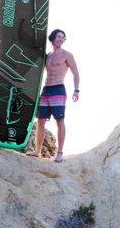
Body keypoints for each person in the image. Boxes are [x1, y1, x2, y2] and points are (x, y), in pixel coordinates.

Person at [26, 29, 80, 163]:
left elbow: (76, 73)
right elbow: (37, 68)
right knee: (41, 120)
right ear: (52, 38)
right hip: (46, 89)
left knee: (59, 121)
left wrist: (76, 90)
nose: (61, 39)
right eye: (58, 37)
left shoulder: (67, 55)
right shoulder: (48, 56)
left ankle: (59, 153)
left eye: (63, 37)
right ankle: (38, 151)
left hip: (58, 90)